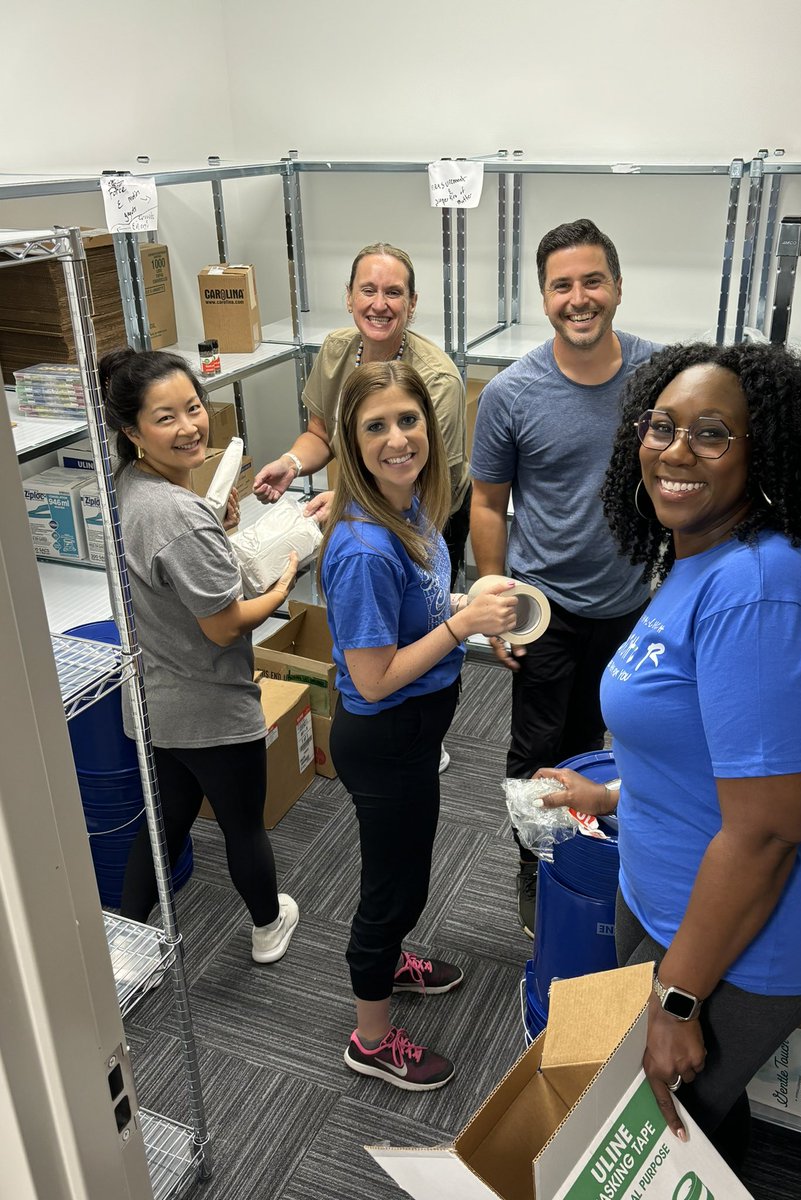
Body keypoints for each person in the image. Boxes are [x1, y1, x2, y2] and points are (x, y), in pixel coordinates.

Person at [536, 341, 801, 1172]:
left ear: (762, 454)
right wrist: (614, 798)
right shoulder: (698, 558)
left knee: (656, 1125)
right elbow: (707, 751)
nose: (676, 451)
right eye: (662, 426)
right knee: (671, 1111)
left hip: (748, 944)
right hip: (669, 898)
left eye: (713, 434)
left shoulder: (762, 592)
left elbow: (767, 833)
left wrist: (676, 999)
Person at [318, 360, 517, 1091]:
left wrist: (466, 598)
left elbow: (418, 612)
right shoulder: (367, 547)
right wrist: (464, 622)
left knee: (408, 873)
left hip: (415, 733)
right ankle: (369, 1039)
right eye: (376, 427)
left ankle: (394, 958)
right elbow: (372, 676)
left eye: (408, 421)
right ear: (350, 440)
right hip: (387, 736)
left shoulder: (410, 514)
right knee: (390, 890)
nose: (398, 438)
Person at [469, 218, 659, 937]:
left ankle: (590, 846)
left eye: (592, 281)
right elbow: (487, 504)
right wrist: (497, 598)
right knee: (537, 745)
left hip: (629, 601)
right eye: (561, 285)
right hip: (543, 605)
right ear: (543, 297)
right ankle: (533, 866)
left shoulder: (657, 376)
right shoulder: (512, 394)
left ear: (615, 286)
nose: (579, 298)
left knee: (606, 737)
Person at [100, 348, 301, 965]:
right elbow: (222, 626)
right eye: (166, 418)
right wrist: (280, 588)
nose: (189, 426)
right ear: (133, 431)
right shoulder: (179, 516)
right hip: (211, 708)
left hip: (156, 702)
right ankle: (268, 926)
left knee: (164, 824)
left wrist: (213, 520)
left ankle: (129, 941)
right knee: (243, 824)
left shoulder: (131, 488)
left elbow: (171, 566)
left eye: (193, 408)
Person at [253, 241, 471, 590]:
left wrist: (345, 501)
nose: (379, 304)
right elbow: (321, 432)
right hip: (360, 505)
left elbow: (426, 481)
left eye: (394, 293)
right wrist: (291, 462)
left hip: (427, 509)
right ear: (349, 297)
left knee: (422, 614)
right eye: (367, 290)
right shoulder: (336, 351)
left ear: (412, 303)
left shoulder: (437, 379)